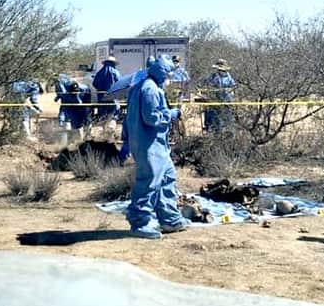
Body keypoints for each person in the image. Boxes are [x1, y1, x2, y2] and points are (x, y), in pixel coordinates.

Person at [124, 56, 189, 239]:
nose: (169, 78)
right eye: (168, 74)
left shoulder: (139, 87)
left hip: (155, 144)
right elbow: (151, 118)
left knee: (167, 178)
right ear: (162, 73)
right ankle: (140, 223)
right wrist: (171, 113)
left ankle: (169, 219)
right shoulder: (151, 90)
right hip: (149, 145)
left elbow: (128, 118)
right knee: (149, 183)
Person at [202, 59, 236, 132]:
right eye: (218, 69)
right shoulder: (213, 76)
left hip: (227, 102)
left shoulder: (229, 78)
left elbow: (234, 87)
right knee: (213, 119)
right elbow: (205, 84)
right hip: (215, 102)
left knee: (227, 120)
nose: (219, 71)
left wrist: (229, 92)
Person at [91, 56, 122, 125]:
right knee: (113, 115)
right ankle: (111, 132)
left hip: (101, 97)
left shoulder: (99, 73)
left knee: (102, 116)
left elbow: (94, 84)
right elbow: (120, 83)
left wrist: (101, 89)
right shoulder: (116, 72)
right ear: (113, 63)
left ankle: (103, 132)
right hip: (113, 96)